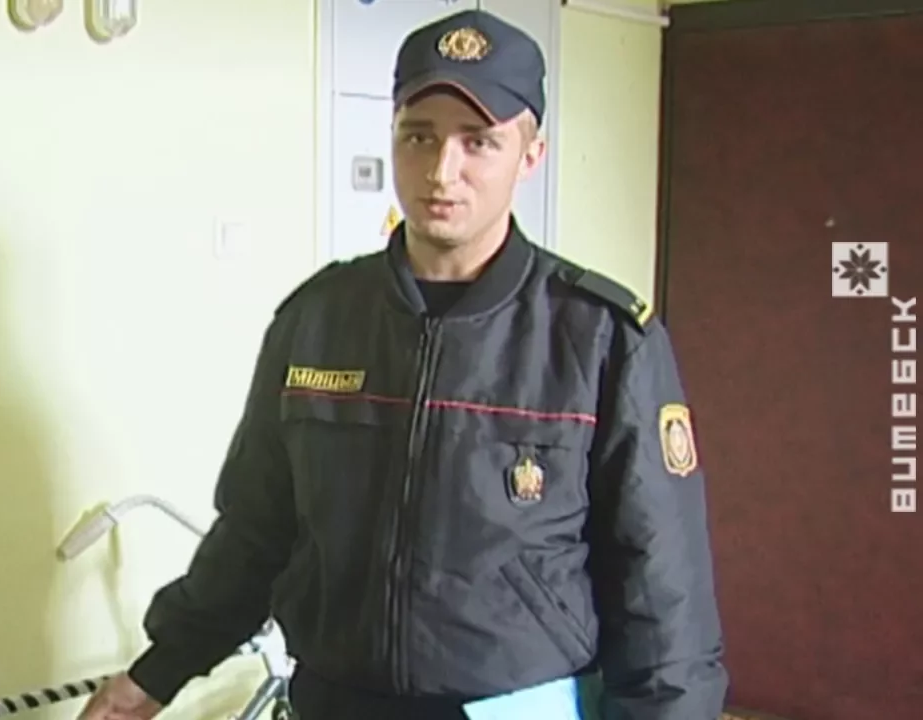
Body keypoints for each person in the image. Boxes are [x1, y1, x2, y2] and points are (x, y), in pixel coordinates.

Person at [77, 8, 729, 720]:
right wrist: (156, 674)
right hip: (335, 704)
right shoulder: (317, 321)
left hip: (515, 708)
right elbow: (254, 534)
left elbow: (664, 599)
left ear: (531, 154)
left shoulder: (601, 338)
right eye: (419, 136)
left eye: (478, 141)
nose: (442, 171)